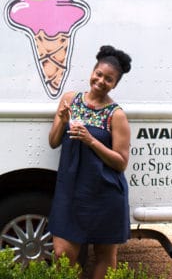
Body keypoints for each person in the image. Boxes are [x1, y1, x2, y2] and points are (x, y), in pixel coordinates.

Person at [48, 45, 132, 279]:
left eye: (109, 79)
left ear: (115, 84)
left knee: (105, 257)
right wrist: (61, 120)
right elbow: (54, 142)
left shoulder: (116, 114)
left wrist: (91, 140)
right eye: (99, 74)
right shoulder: (69, 99)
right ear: (92, 72)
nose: (101, 81)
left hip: (105, 195)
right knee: (62, 255)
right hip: (71, 192)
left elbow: (121, 162)